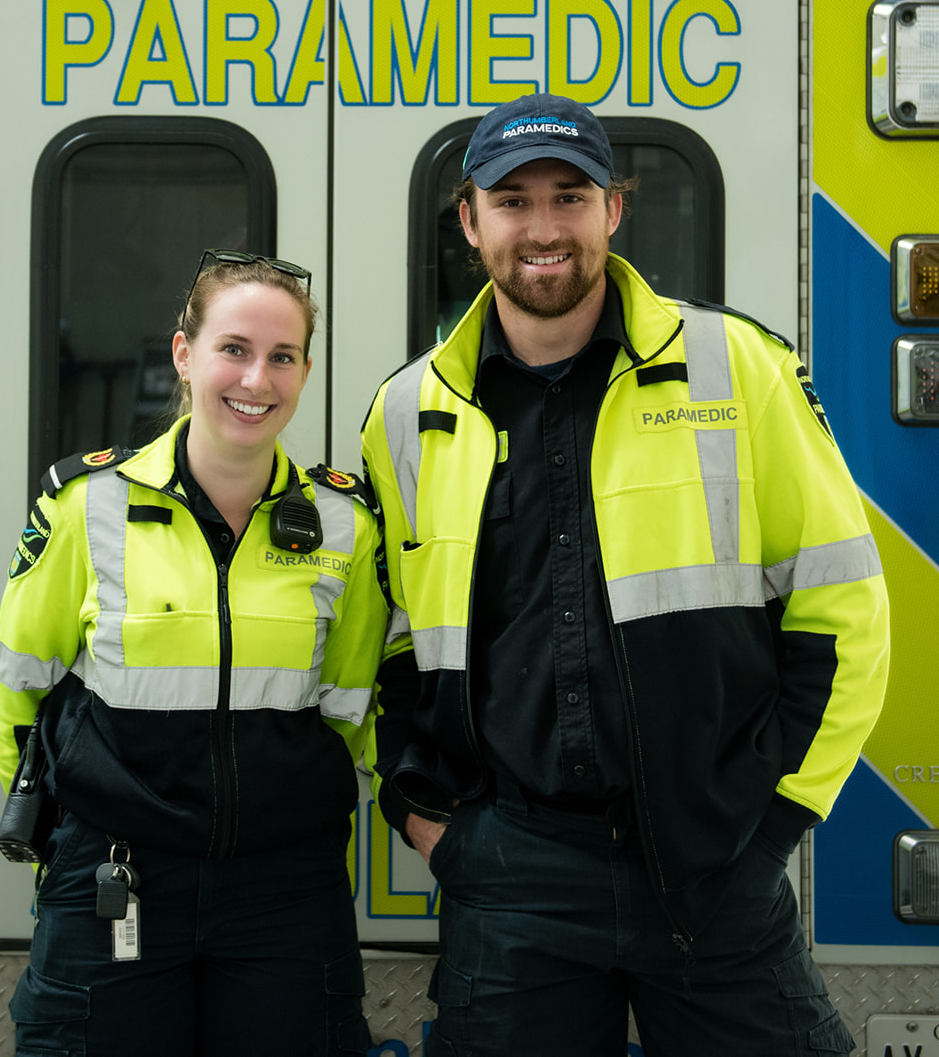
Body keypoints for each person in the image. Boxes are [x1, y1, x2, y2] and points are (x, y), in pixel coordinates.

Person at [362, 95, 889, 1056]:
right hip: (513, 873)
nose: (544, 227)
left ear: (615, 210)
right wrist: (424, 817)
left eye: (571, 195)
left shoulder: (736, 367)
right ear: (470, 220)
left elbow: (841, 603)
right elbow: (389, 639)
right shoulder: (405, 413)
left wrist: (772, 823)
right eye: (513, 201)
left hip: (709, 859)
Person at [0, 250, 387, 1057]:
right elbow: (20, 690)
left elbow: (351, 705)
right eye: (233, 349)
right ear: (185, 354)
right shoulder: (87, 504)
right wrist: (65, 840)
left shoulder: (345, 524)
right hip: (116, 877)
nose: (256, 380)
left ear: (305, 371)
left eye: (282, 357)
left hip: (285, 888)